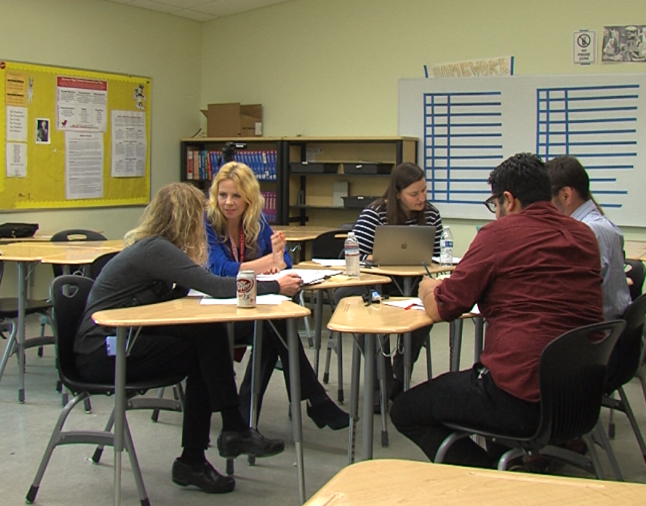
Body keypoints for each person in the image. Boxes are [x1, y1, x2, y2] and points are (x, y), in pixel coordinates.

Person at [73, 183, 301, 495]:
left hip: (126, 340)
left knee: (207, 335)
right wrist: (275, 286)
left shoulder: (162, 249)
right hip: (102, 351)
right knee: (204, 349)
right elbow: (217, 287)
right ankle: (217, 441)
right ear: (186, 218)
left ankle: (214, 444)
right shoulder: (155, 249)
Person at [390, 152, 604, 468]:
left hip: (520, 397)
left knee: (406, 410)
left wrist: (427, 288)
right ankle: (514, 459)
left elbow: (443, 308)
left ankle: (492, 478)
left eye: (495, 205)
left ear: (508, 199)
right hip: (579, 397)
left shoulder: (498, 235)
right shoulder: (584, 235)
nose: (496, 213)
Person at [205, 162, 349, 431]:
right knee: (275, 325)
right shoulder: (209, 222)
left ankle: (246, 419)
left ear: (249, 197)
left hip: (251, 308)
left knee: (271, 328)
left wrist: (273, 260)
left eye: (236, 196)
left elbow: (284, 259)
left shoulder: (256, 220)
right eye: (222, 195)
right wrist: (267, 262)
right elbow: (221, 270)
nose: (228, 202)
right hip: (216, 313)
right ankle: (315, 400)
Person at [333, 162, 443, 402]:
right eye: (414, 194)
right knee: (354, 302)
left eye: (424, 191)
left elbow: (435, 257)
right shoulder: (375, 213)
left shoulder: (431, 214)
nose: (421, 198)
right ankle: (382, 380)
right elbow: (349, 255)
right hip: (377, 284)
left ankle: (401, 373)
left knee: (432, 305)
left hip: (413, 284)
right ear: (397, 193)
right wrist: (369, 257)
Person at [547, 155, 631, 320]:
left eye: (547, 199)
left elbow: (568, 293)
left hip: (595, 329)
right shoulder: (605, 224)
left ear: (565, 195)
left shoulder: (583, 233)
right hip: (614, 324)